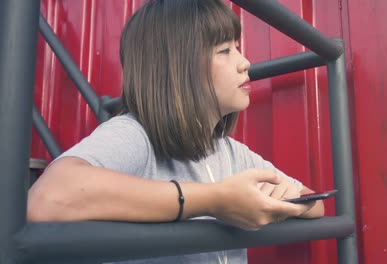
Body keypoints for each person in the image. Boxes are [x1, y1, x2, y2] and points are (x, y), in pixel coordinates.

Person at [27, 0, 325, 263]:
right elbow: (47, 199)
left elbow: (317, 203)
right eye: (224, 50)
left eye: (237, 47)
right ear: (177, 67)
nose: (245, 62)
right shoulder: (134, 135)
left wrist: (288, 198)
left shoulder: (232, 152)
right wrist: (213, 200)